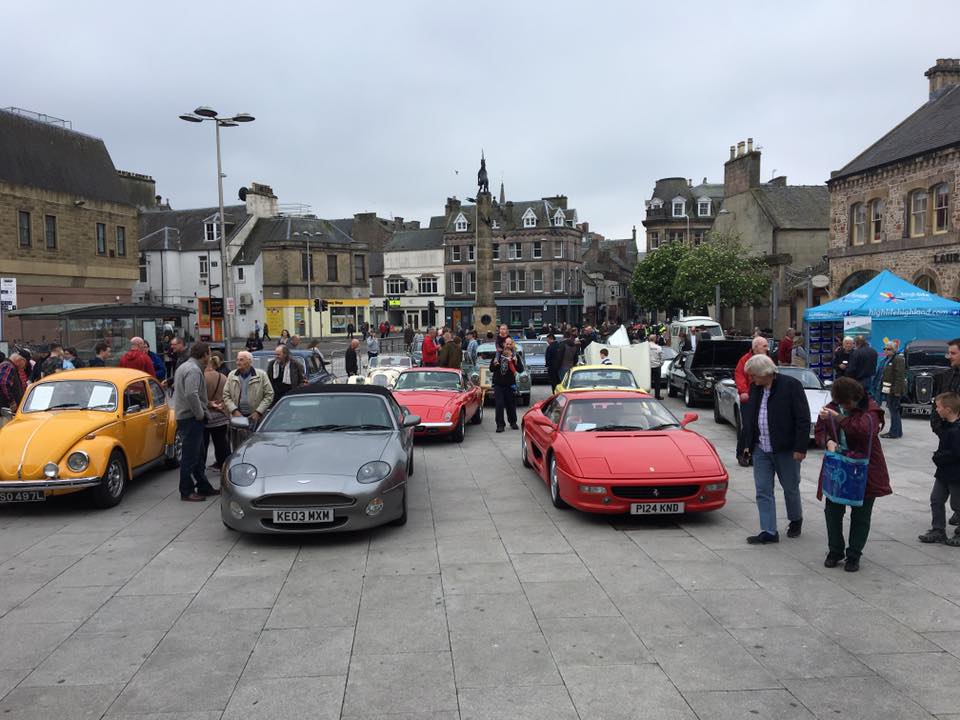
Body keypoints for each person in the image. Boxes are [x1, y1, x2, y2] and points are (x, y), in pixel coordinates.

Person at [815, 377, 892, 571]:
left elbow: (864, 431)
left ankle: (854, 554)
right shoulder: (832, 406)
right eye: (840, 403)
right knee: (832, 511)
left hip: (865, 470)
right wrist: (827, 441)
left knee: (861, 515)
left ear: (854, 398)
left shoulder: (871, 409)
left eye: (846, 403)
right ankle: (835, 550)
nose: (843, 406)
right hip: (838, 467)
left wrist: (838, 418)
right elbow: (820, 430)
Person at [741, 353, 810, 544]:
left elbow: (803, 419)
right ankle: (769, 531)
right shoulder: (756, 388)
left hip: (786, 448)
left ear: (766, 373)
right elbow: (751, 417)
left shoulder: (791, 386)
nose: (751, 379)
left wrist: (800, 447)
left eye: (754, 375)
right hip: (761, 448)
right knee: (763, 490)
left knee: (790, 487)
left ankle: (795, 519)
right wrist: (747, 444)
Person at [173, 341, 219, 501]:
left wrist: (207, 404)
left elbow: (194, 395)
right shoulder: (193, 370)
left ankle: (203, 486)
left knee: (198, 455)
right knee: (190, 457)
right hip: (190, 418)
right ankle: (186, 491)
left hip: (187, 417)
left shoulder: (186, 366)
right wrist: (200, 413)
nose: (211, 356)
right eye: (209, 353)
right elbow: (191, 394)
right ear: (204, 355)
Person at [918, 392, 960, 546]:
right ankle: (938, 529)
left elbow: (956, 453)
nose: (936, 410)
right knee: (936, 499)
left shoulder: (956, 430)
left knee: (957, 504)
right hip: (943, 473)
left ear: (948, 409)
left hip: (956, 474)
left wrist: (938, 457)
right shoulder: (947, 426)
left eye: (939, 407)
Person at [734, 336, 770, 466]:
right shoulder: (744, 360)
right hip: (750, 395)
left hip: (763, 395)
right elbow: (739, 376)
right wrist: (743, 391)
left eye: (767, 346)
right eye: (764, 346)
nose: (767, 348)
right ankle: (742, 452)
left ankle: (755, 453)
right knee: (748, 426)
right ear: (755, 347)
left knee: (759, 425)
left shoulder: (768, 360)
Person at [222, 350, 274, 428]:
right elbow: (226, 395)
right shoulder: (232, 375)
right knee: (238, 439)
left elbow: (269, 395)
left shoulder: (261, 375)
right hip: (237, 417)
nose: (238, 362)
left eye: (241, 360)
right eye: (237, 360)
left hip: (256, 417)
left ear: (249, 361)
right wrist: (234, 410)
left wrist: (258, 412)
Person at [203, 354, 231, 471]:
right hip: (220, 416)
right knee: (221, 444)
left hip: (206, 416)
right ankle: (224, 466)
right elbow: (229, 395)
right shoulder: (223, 377)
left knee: (203, 445)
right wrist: (222, 406)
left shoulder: (202, 377)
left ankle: (200, 468)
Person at [491, 338, 524, 432]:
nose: (508, 345)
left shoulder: (515, 355)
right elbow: (491, 368)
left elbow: (520, 370)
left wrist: (515, 361)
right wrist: (495, 364)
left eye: (510, 344)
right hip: (498, 384)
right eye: (507, 344)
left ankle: (513, 422)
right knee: (499, 405)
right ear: (503, 344)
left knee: (511, 405)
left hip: (510, 385)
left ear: (512, 345)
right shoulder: (497, 355)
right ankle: (500, 425)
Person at [876, 342, 905, 439]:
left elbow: (899, 377)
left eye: (888, 349)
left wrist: (896, 392)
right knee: (893, 410)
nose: (886, 351)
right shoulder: (887, 359)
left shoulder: (898, 359)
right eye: (885, 349)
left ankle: (894, 433)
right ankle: (898, 432)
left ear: (894, 350)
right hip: (888, 390)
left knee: (894, 411)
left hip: (894, 391)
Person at [647, 333, 663, 400]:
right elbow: (662, 357)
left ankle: (646, 395)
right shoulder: (658, 347)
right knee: (657, 382)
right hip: (657, 366)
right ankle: (657, 395)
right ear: (655, 339)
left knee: (647, 381)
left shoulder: (646, 347)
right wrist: (660, 364)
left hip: (648, 366)